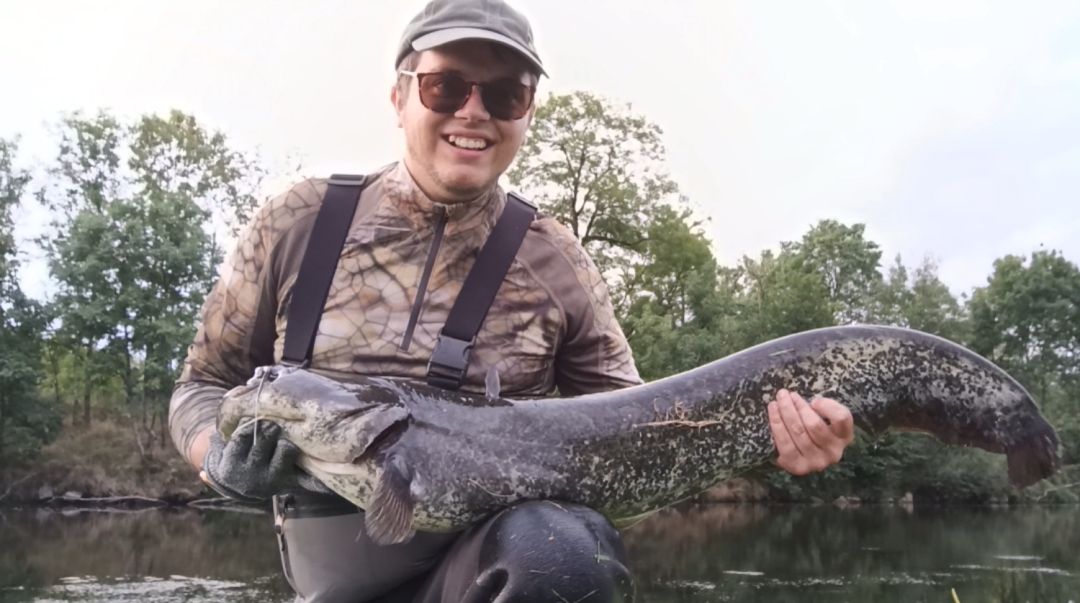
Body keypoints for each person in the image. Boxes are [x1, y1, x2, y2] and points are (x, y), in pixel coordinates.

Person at [168, 0, 856, 601]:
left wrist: (763, 438)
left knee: (563, 553)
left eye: (505, 95)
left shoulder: (556, 261)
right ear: (400, 97)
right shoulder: (298, 221)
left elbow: (641, 436)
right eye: (445, 86)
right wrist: (214, 457)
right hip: (329, 580)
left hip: (487, 571)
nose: (474, 112)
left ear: (527, 113)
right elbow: (201, 385)